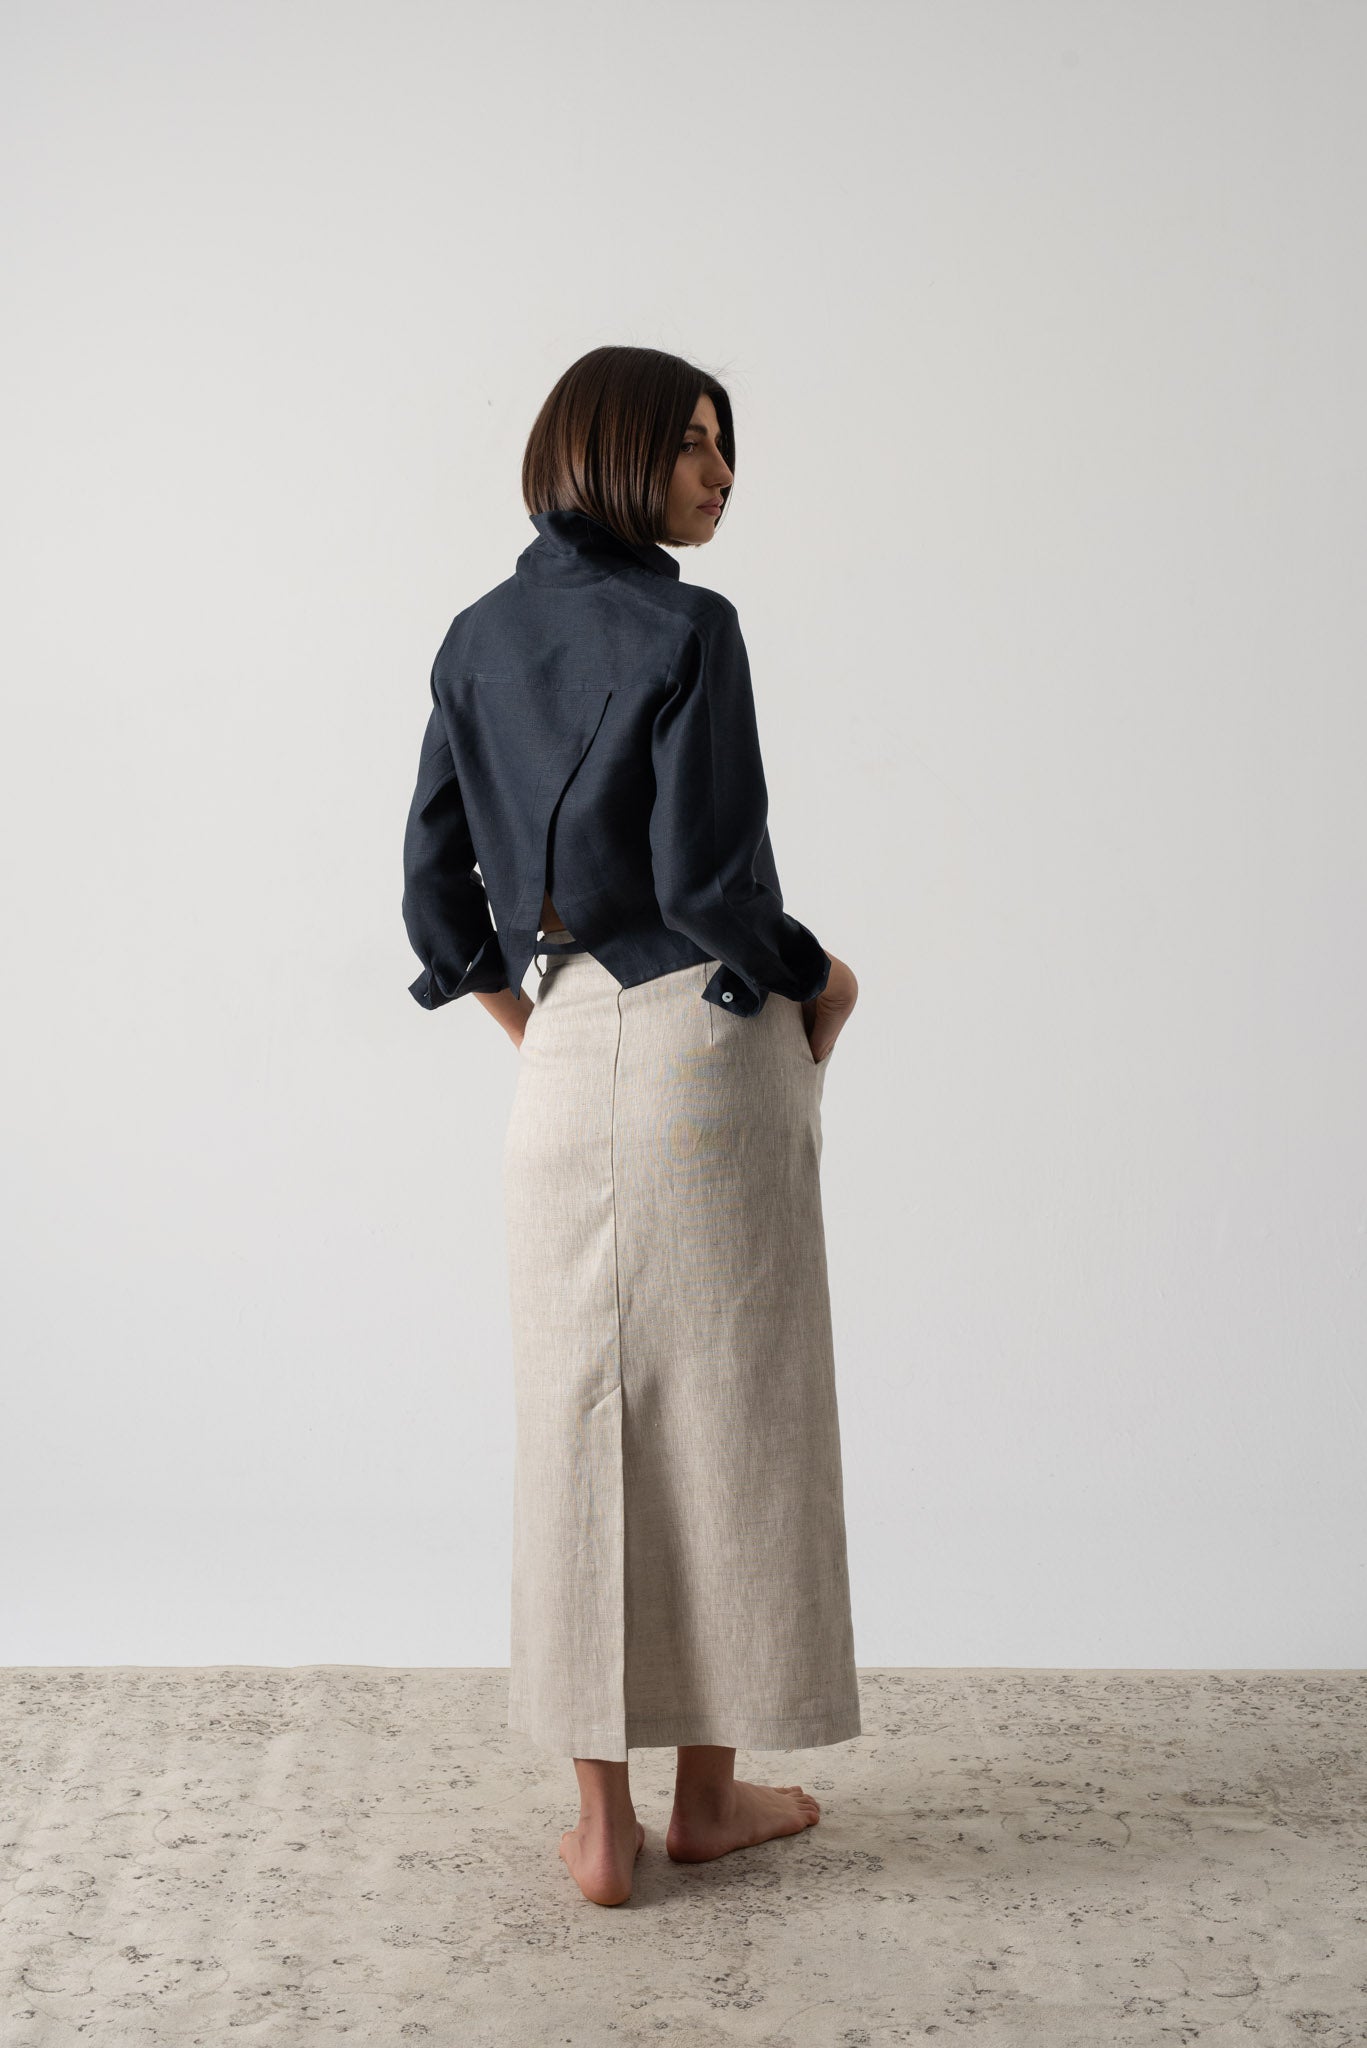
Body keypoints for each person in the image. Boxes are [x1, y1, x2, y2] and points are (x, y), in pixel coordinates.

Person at [401, 344, 860, 1906]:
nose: (722, 476)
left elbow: (434, 898)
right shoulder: (690, 626)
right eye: (694, 445)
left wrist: (541, 1031)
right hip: (708, 1036)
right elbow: (711, 887)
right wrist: (823, 979)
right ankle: (708, 1802)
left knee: (578, 1419)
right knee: (734, 1409)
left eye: (727, 449)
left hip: (565, 1047)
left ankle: (602, 1830)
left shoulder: (473, 640)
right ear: (614, 448)